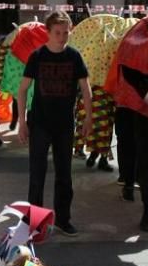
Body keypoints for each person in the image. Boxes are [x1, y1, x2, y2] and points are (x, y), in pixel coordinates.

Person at [16, 12, 92, 236]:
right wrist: (22, 121)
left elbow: (86, 90)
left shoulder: (74, 56)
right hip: (39, 122)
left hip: (64, 124)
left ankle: (63, 218)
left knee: (64, 174)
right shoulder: (37, 56)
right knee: (37, 173)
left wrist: (88, 117)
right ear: (48, 32)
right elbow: (22, 91)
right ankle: (34, 221)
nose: (62, 37)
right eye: (58, 33)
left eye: (66, 32)